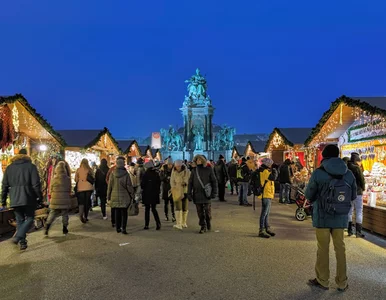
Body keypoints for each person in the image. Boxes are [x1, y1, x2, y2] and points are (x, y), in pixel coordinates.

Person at [305, 144, 356, 292]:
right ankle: (342, 282)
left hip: (322, 217)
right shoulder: (348, 173)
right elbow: (352, 195)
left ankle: (323, 280)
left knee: (323, 248)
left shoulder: (319, 173)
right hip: (340, 216)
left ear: (324, 156)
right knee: (340, 249)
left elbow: (309, 195)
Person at [1, 149, 43, 250]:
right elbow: (36, 184)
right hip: (28, 197)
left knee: (19, 220)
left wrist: (3, 200)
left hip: (15, 198)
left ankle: (23, 243)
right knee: (30, 218)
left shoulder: (9, 168)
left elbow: (4, 185)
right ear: (26, 155)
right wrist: (40, 197)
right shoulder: (31, 166)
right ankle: (18, 237)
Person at [188, 155, 218, 234]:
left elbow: (214, 181)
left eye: (200, 160)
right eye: (197, 160)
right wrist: (189, 194)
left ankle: (208, 221)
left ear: (203, 160)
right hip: (197, 193)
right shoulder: (194, 171)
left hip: (206, 194)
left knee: (207, 211)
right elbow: (190, 182)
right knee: (199, 211)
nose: (198, 161)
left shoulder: (209, 169)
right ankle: (203, 225)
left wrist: (214, 192)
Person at [107, 156, 134, 234]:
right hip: (124, 196)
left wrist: (108, 196)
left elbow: (110, 186)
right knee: (124, 213)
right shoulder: (126, 174)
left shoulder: (112, 174)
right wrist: (132, 194)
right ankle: (124, 228)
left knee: (117, 212)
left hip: (114, 196)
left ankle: (117, 228)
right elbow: (129, 186)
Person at [45, 161, 72, 236]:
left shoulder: (54, 179)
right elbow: (69, 189)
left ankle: (47, 226)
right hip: (65, 199)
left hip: (55, 199)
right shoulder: (67, 179)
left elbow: (51, 189)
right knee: (65, 214)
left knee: (52, 213)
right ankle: (64, 229)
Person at [257, 158, 278, 238]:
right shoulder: (265, 172)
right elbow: (273, 178)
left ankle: (266, 228)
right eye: (270, 164)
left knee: (266, 213)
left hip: (267, 194)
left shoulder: (263, 170)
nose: (271, 166)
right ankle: (261, 230)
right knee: (264, 213)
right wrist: (275, 170)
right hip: (266, 194)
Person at [347, 152, 366, 238]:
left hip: (348, 192)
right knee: (359, 211)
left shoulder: (346, 168)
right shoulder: (357, 168)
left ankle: (349, 230)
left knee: (350, 211)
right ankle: (358, 231)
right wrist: (363, 188)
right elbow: (362, 180)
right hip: (358, 192)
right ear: (356, 160)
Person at [170, 159, 191, 230]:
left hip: (185, 190)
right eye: (176, 166)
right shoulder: (173, 171)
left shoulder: (187, 171)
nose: (177, 168)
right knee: (178, 207)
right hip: (177, 191)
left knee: (185, 206)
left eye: (179, 166)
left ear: (181, 165)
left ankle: (183, 222)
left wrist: (185, 182)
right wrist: (173, 188)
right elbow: (172, 181)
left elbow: (189, 180)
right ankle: (178, 223)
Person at [141, 161, 162, 230]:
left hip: (146, 194)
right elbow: (159, 183)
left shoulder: (145, 174)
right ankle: (158, 223)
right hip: (154, 194)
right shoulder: (156, 174)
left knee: (147, 209)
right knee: (153, 209)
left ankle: (146, 225)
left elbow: (142, 185)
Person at [75, 158, 94, 223]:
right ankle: (86, 216)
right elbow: (93, 178)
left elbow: (76, 180)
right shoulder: (90, 170)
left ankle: (81, 215)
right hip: (89, 188)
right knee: (87, 202)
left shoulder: (78, 170)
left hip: (80, 188)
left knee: (81, 202)